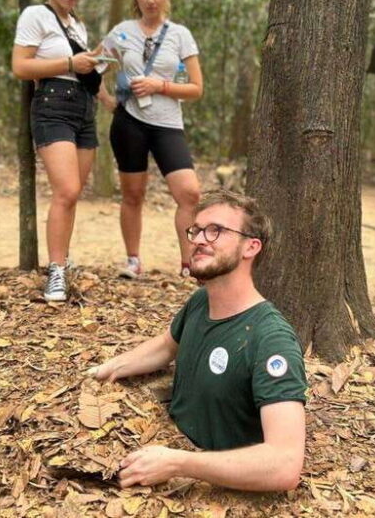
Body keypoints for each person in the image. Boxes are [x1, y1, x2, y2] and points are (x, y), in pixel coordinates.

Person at [89, 191, 307, 491]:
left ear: (250, 247)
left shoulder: (270, 339)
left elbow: (285, 465)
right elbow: (166, 346)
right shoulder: (201, 301)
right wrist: (107, 368)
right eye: (197, 230)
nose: (200, 240)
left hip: (216, 487)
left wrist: (179, 463)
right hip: (163, 443)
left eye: (216, 230)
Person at [12, 0, 107, 302]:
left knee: (73, 194)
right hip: (54, 106)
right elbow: (21, 67)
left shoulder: (77, 25)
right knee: (65, 190)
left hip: (84, 109)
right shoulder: (36, 15)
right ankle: (54, 272)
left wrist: (96, 66)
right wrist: (70, 61)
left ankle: (62, 260)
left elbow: (82, 70)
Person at [101, 0, 203, 280]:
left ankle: (189, 263)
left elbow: (196, 88)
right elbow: (93, 66)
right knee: (133, 194)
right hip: (129, 122)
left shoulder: (180, 35)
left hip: (168, 124)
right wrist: (106, 100)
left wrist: (160, 86)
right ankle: (133, 260)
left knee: (189, 193)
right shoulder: (121, 31)